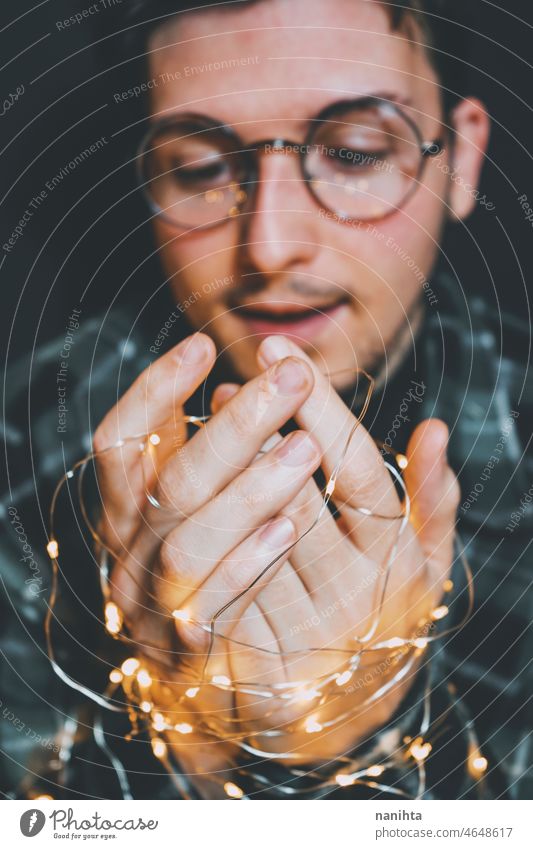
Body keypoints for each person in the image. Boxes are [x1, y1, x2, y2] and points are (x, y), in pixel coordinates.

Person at [1, 0, 531, 800]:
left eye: (353, 153)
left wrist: (366, 735)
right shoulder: (28, 430)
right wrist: (173, 722)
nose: (269, 245)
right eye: (202, 167)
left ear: (459, 156)